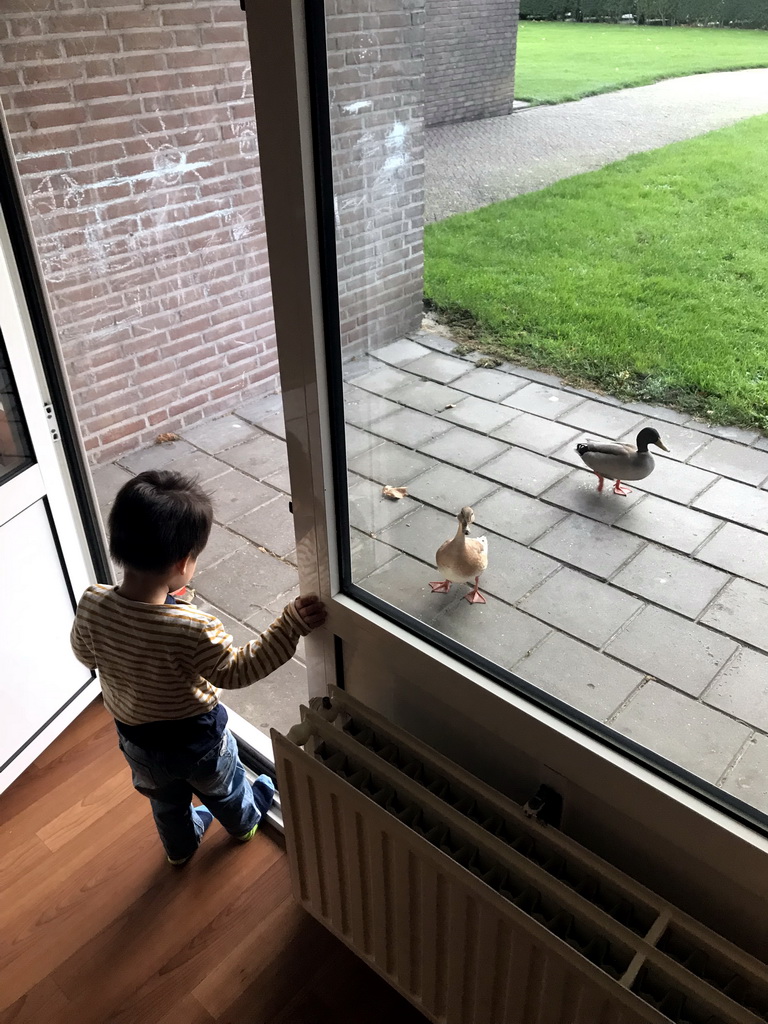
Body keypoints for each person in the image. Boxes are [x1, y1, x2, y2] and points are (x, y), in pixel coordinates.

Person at [70, 469, 326, 865]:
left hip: (137, 743)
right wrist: (289, 624)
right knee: (225, 787)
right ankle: (245, 824)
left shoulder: (91, 604)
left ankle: (180, 849)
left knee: (166, 803)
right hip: (196, 742)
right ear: (183, 562)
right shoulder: (191, 627)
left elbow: (86, 655)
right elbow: (236, 670)